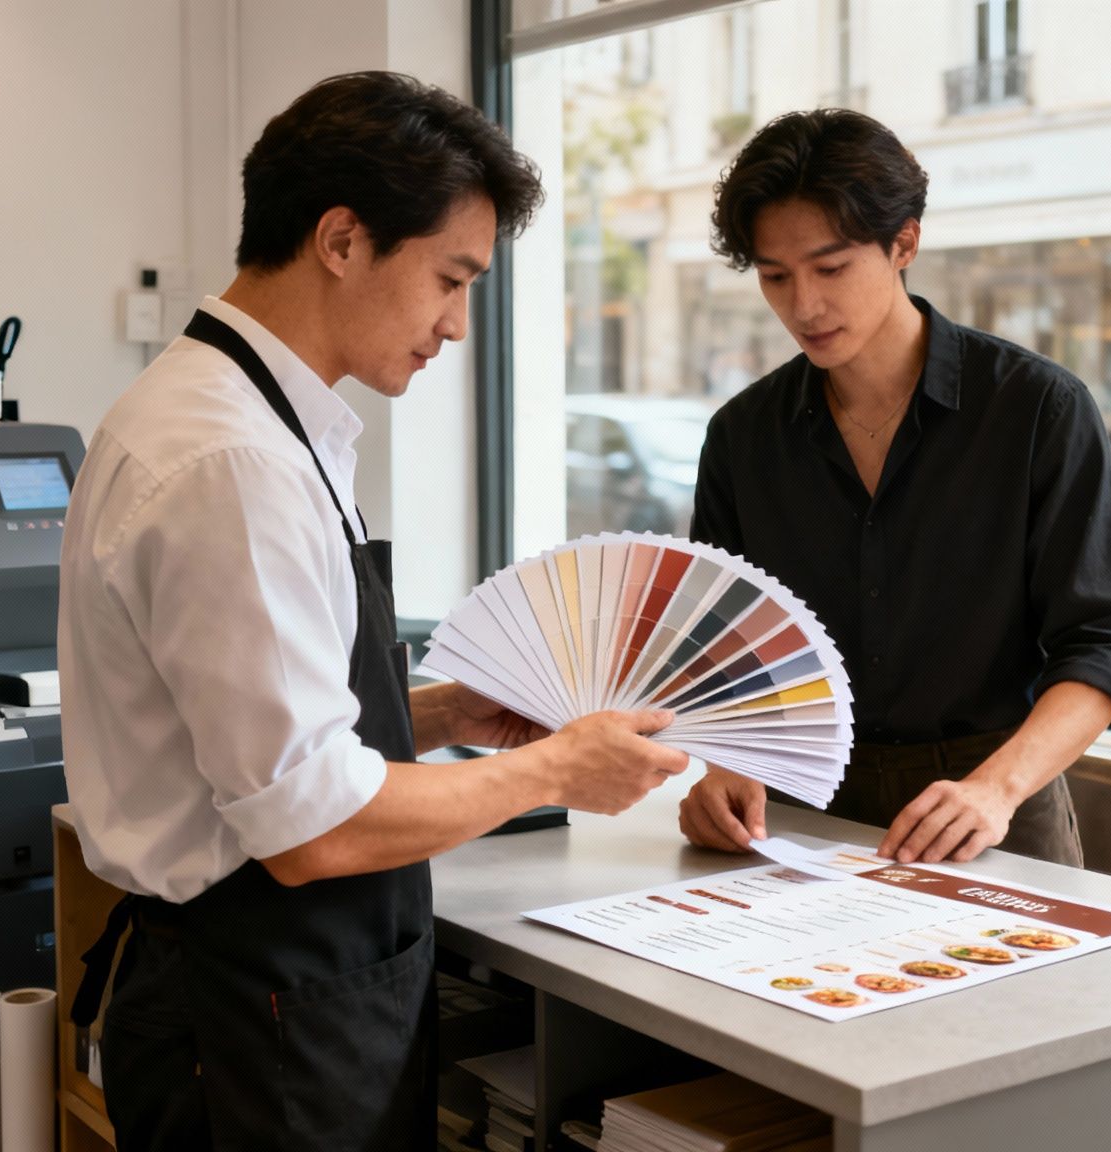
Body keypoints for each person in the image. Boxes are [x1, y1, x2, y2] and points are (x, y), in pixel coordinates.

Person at [58, 73, 689, 1151]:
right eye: (450, 278)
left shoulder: (246, 415)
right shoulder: (230, 462)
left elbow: (253, 724)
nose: (456, 325)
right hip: (253, 1019)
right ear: (342, 240)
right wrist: (556, 771)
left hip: (287, 991)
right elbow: (312, 826)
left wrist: (439, 715)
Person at [676, 109, 1111, 869]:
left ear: (904, 243)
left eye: (831, 268)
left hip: (989, 807)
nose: (803, 306)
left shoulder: (1037, 409)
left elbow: (1105, 648)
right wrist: (724, 764)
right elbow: (723, 644)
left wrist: (995, 789)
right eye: (775, 276)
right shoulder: (743, 435)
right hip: (798, 808)